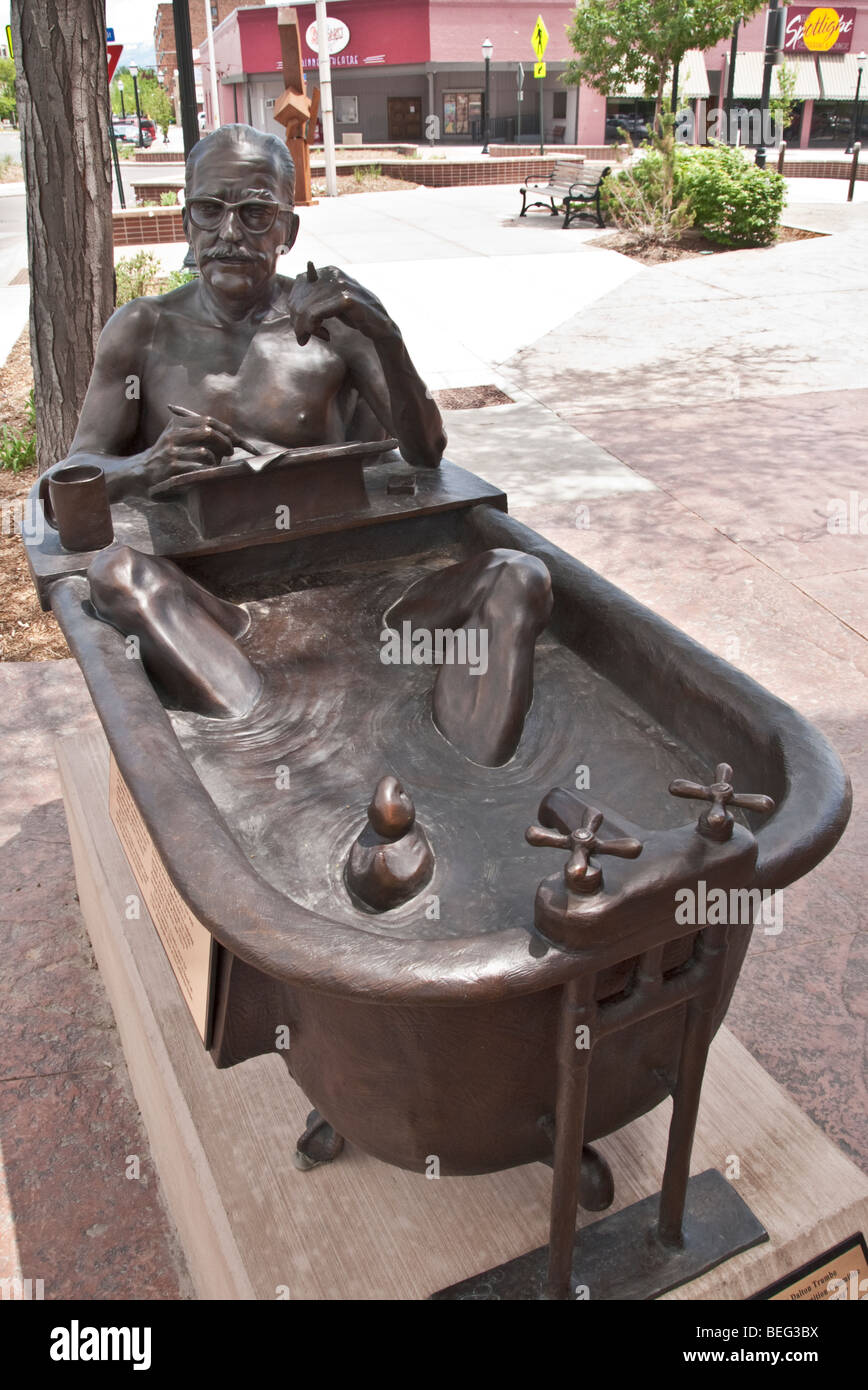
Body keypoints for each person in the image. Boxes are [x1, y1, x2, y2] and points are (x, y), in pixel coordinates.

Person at [74, 124, 549, 763]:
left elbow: (426, 450)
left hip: (372, 605)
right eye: (209, 211)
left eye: (254, 213)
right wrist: (141, 468)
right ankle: (276, 729)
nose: (229, 234)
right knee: (115, 575)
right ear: (187, 221)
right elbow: (73, 476)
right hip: (220, 616)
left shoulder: (332, 324)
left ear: (287, 232)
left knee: (518, 573)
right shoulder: (143, 328)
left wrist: (384, 334)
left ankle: (470, 776)